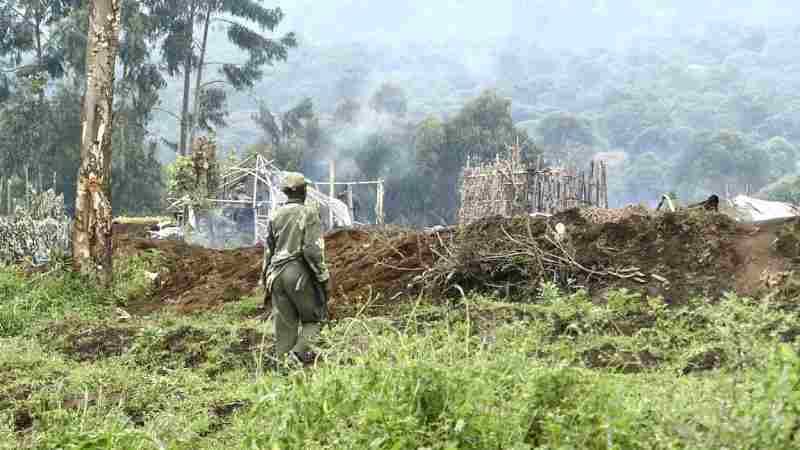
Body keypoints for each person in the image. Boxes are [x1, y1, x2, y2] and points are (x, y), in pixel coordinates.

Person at [261, 172, 330, 366]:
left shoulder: (275, 215)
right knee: (314, 321)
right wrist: (323, 277)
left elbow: (268, 251)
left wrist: (265, 280)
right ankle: (296, 356)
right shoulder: (309, 213)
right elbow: (312, 249)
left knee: (285, 328)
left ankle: (283, 371)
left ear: (286, 192)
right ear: (304, 191)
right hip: (297, 274)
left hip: (275, 276)